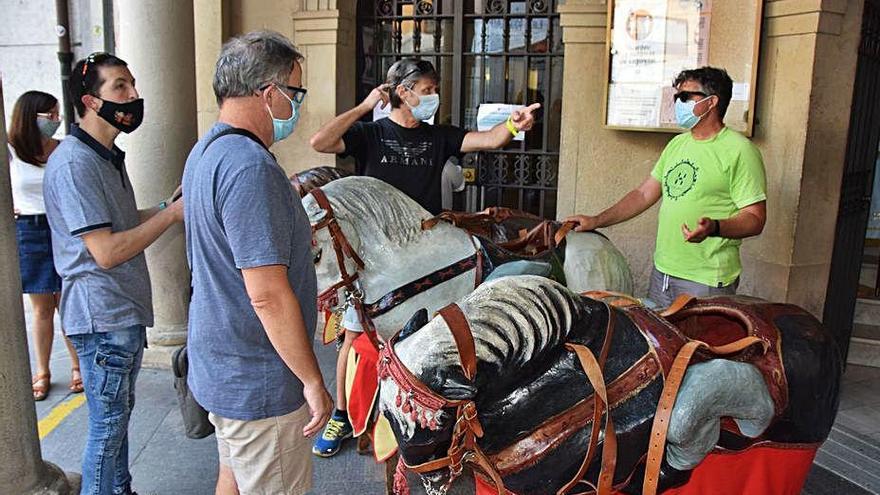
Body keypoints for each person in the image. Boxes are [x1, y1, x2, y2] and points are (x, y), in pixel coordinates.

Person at [308, 57, 540, 457]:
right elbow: (321, 142)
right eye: (428, 90)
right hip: (377, 256)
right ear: (404, 91)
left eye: (434, 90)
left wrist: (516, 124)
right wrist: (365, 106)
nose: (433, 97)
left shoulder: (439, 137)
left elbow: (488, 140)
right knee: (354, 336)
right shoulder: (372, 134)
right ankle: (342, 415)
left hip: (428, 252)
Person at [183, 31, 332, 495]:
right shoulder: (250, 168)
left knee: (232, 475)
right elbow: (266, 294)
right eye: (297, 91)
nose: (299, 104)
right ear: (270, 94)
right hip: (260, 381)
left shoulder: (207, 149)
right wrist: (312, 380)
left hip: (222, 368)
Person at [43, 52, 184, 495]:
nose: (134, 95)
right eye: (120, 87)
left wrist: (166, 208)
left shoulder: (104, 156)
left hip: (118, 313)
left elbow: (119, 224)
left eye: (133, 84)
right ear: (90, 100)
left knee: (116, 423)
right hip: (102, 316)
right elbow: (106, 251)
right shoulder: (75, 164)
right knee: (107, 429)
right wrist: (173, 215)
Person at [565, 67, 767, 307]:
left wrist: (714, 228)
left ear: (712, 102)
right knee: (658, 343)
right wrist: (596, 220)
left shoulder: (740, 151)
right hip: (663, 273)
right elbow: (643, 194)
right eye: (675, 97)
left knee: (696, 345)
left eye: (685, 97)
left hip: (705, 279)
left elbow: (755, 219)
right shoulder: (677, 145)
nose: (677, 103)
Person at [8, 90, 82, 401]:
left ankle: (78, 368)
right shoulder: (10, 151)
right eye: (48, 116)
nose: (55, 120)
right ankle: (43, 371)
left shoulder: (63, 148)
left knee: (67, 302)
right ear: (29, 117)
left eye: (56, 114)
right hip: (29, 228)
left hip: (61, 227)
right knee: (41, 309)